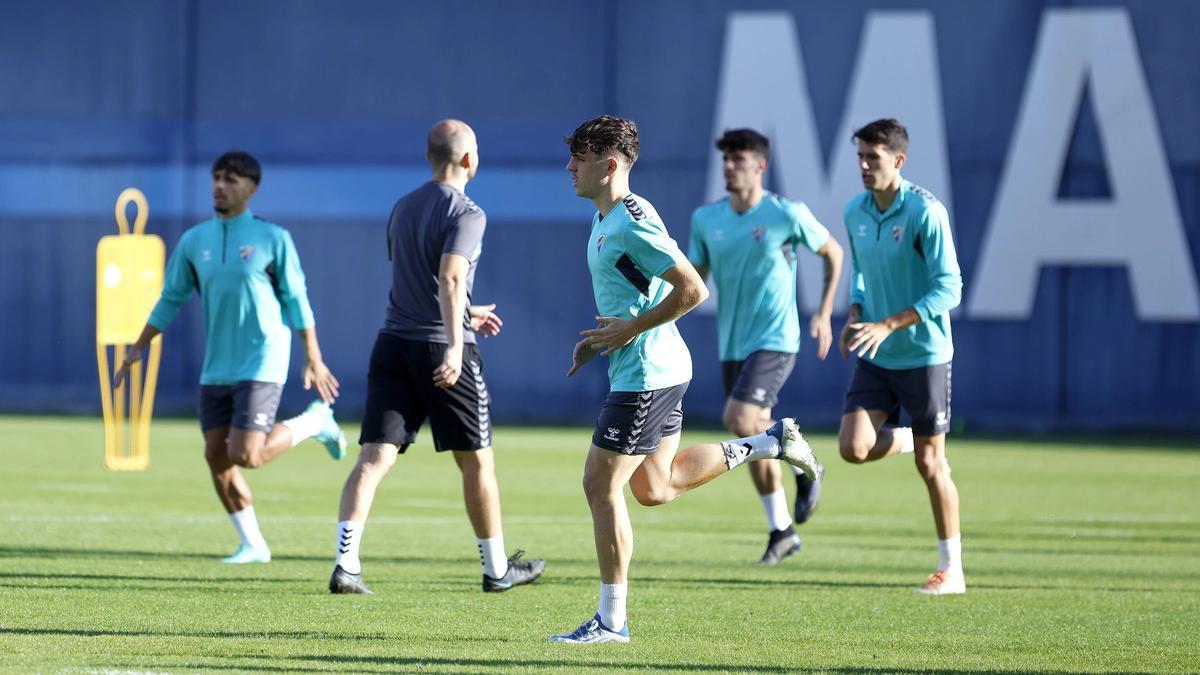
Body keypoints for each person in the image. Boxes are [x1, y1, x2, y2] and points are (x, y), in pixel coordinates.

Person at [549, 116, 821, 645]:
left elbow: (692, 290)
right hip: (653, 367)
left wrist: (631, 329)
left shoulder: (631, 219)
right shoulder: (604, 218)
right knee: (656, 486)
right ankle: (771, 441)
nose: (569, 166)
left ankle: (611, 622)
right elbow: (638, 296)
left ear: (608, 166)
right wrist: (603, 339)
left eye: (579, 157)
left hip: (648, 374)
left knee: (601, 487)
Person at [327, 119, 545, 596]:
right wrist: (453, 340)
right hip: (443, 350)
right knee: (477, 464)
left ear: (430, 157)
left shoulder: (403, 207)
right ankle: (496, 571)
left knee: (373, 458)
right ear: (469, 159)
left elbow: (420, 281)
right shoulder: (467, 212)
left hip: (392, 343)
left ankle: (346, 565)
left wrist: (468, 311)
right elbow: (447, 278)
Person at [114, 150, 346, 564]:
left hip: (263, 359)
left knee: (246, 455)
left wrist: (313, 354)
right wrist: (138, 345)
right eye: (217, 178)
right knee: (215, 456)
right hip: (217, 365)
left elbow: (297, 299)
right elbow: (170, 298)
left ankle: (315, 421)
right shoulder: (193, 241)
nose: (221, 186)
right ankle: (254, 544)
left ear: (251, 189)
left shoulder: (273, 239)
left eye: (232, 180)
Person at [688, 128, 843, 565]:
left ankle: (798, 462)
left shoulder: (785, 214)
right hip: (732, 343)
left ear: (761, 166)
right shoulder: (706, 219)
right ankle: (782, 529)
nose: (729, 166)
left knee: (738, 418)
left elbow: (833, 252)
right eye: (725, 159)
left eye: (738, 159)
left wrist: (823, 310)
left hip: (776, 338)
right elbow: (695, 279)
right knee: (754, 431)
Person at [837, 118, 965, 595]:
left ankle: (951, 569)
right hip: (877, 352)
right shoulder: (855, 211)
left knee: (932, 466)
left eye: (874, 158)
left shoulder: (925, 213)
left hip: (925, 353)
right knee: (852, 448)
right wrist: (855, 310)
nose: (865, 167)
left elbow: (950, 286)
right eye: (861, 158)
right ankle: (913, 437)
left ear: (899, 161)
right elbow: (861, 272)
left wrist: (890, 322)